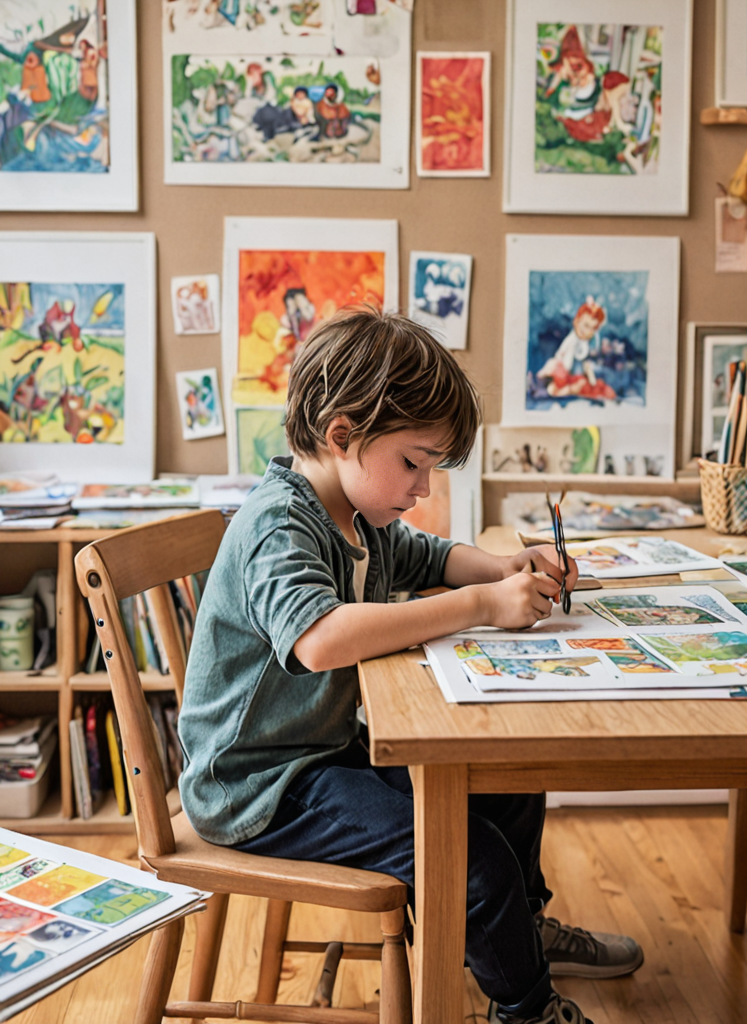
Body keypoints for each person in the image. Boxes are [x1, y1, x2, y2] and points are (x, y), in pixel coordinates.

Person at [178, 307, 643, 1024]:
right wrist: (483, 604)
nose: (423, 488)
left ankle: (521, 931)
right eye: (413, 463)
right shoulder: (280, 521)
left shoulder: (355, 515)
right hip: (256, 785)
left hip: (320, 754)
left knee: (508, 779)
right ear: (342, 436)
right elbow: (321, 639)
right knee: (470, 860)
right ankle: (525, 1006)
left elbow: (428, 557)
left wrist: (503, 565)